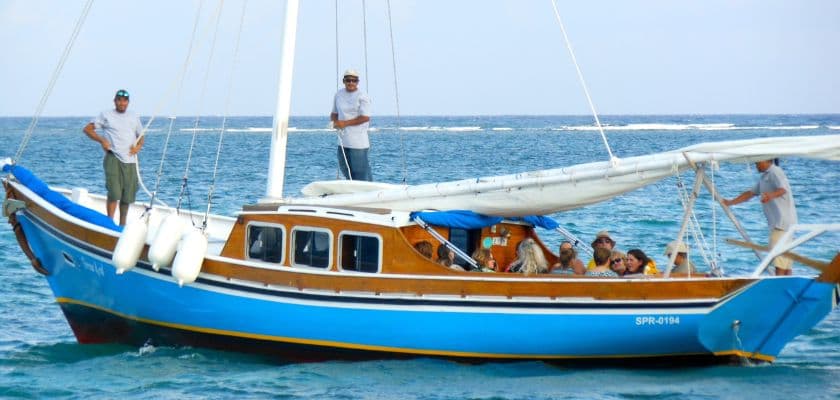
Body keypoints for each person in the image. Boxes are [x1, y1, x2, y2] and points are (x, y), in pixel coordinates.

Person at [723, 159, 798, 276]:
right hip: (783, 225)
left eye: (757, 163)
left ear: (766, 160)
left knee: (779, 260)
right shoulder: (765, 177)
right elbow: (750, 193)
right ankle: (787, 286)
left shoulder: (775, 172)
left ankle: (778, 288)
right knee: (785, 261)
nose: (755, 165)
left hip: (782, 225)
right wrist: (731, 202)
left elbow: (783, 189)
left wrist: (770, 196)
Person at [83, 89, 144, 226]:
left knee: (127, 195)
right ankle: (109, 223)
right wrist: (102, 140)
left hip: (130, 160)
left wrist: (137, 147)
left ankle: (122, 225)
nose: (122, 103)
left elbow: (141, 138)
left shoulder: (134, 116)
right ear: (115, 101)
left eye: (125, 100)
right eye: (119, 100)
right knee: (114, 192)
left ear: (128, 102)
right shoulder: (106, 115)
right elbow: (87, 129)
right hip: (113, 157)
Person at [331, 69, 372, 181]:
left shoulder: (362, 96)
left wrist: (344, 123)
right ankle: (352, 194)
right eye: (348, 80)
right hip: (342, 141)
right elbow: (334, 113)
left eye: (354, 80)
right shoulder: (338, 94)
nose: (351, 83)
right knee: (345, 170)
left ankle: (368, 194)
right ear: (344, 81)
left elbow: (365, 117)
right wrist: (335, 122)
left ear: (357, 82)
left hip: (358, 142)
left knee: (360, 173)